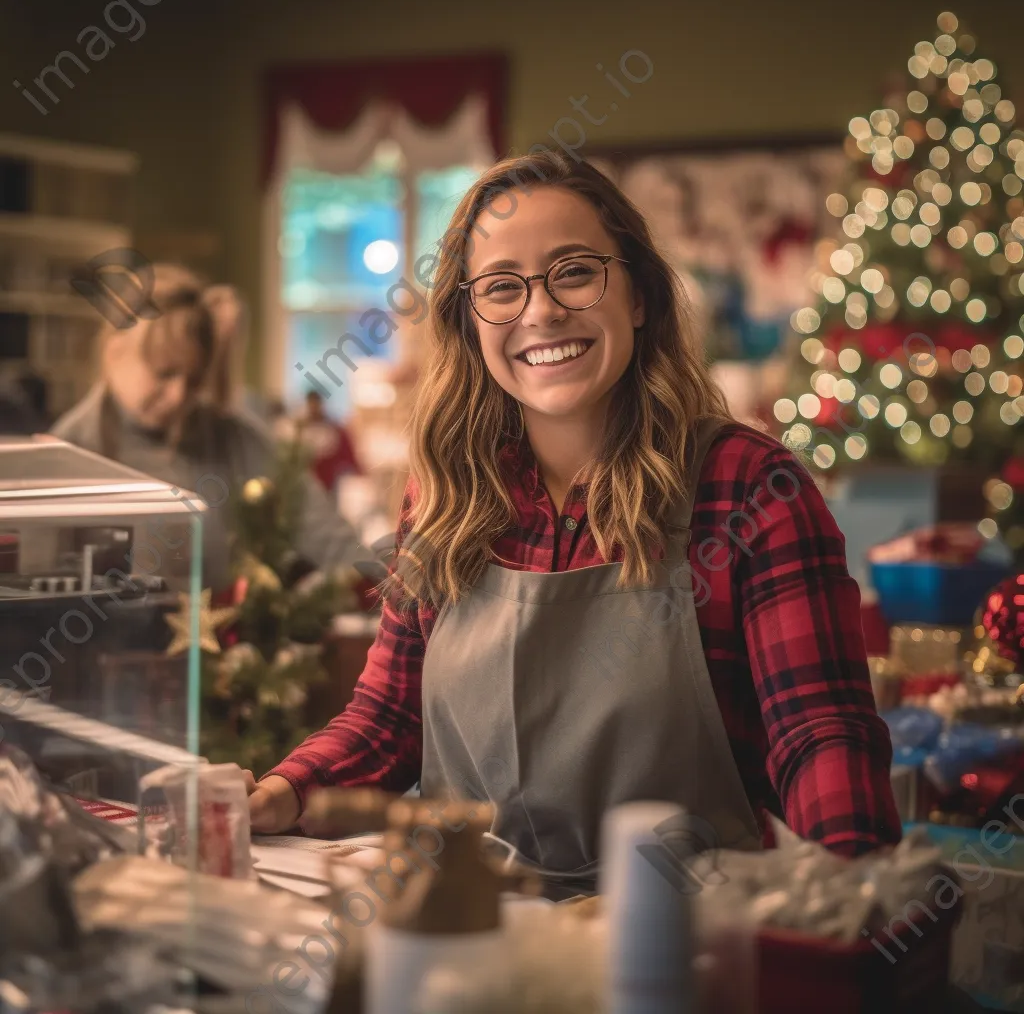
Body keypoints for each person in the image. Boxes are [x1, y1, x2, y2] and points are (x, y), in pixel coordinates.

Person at [247, 153, 901, 891]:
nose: (541, 311)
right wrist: (282, 792)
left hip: (685, 950)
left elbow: (820, 735)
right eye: (501, 287)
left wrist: (850, 900)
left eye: (575, 272)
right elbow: (392, 717)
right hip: (473, 934)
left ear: (640, 295)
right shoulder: (446, 495)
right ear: (469, 321)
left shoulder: (749, 489)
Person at [50, 263, 373, 592]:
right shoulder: (65, 455)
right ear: (114, 353)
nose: (178, 396)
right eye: (165, 373)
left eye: (193, 380)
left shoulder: (235, 437)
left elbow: (335, 544)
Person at [292, 390, 363, 494]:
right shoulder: (299, 432)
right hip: (306, 484)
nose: (313, 408)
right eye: (311, 405)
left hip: (330, 483)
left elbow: (348, 455)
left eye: (316, 404)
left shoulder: (335, 430)